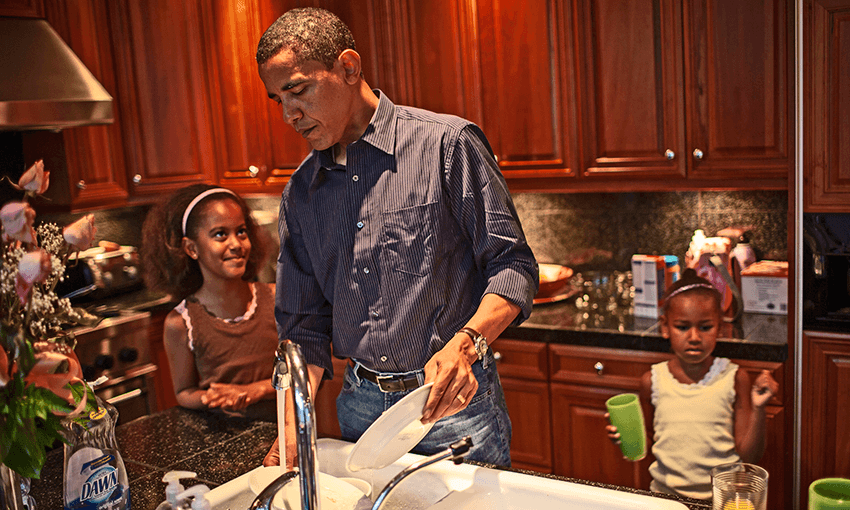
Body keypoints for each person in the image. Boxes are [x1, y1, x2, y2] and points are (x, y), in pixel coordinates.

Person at [255, 7, 538, 468]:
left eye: (298, 90)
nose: (289, 114)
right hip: (360, 411)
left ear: (348, 67)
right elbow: (303, 326)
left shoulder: (448, 144)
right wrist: (292, 427)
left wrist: (466, 344)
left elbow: (513, 266)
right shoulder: (300, 195)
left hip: (452, 407)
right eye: (277, 100)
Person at [605, 268, 779, 500]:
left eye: (705, 327)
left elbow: (749, 456)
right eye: (683, 327)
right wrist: (625, 436)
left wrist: (759, 408)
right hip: (666, 500)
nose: (695, 337)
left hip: (722, 501)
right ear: (665, 327)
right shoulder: (652, 381)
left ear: (720, 327)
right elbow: (647, 442)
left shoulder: (735, 378)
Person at [140, 184, 278, 421]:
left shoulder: (278, 299)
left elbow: (307, 374)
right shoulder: (180, 323)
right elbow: (184, 392)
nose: (236, 244)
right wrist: (213, 397)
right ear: (191, 248)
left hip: (285, 439)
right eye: (220, 234)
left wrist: (254, 390)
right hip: (221, 442)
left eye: (241, 231)